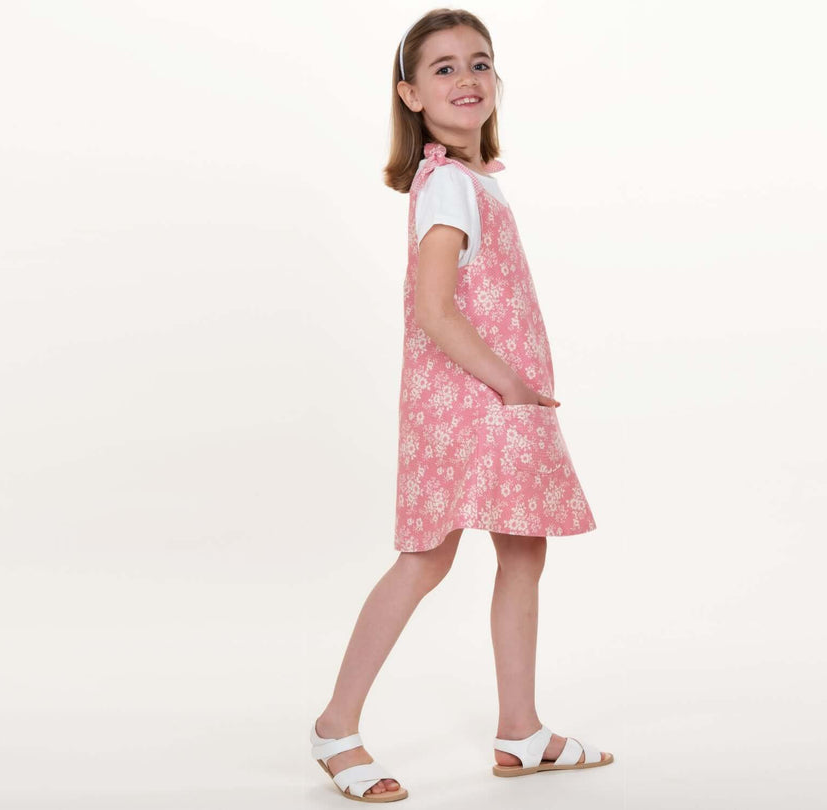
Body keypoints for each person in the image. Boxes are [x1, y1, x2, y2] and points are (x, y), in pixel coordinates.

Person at [309, 8, 612, 802]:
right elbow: (436, 309)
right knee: (427, 556)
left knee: (523, 548)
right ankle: (336, 725)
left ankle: (522, 731)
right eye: (443, 68)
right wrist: (509, 384)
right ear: (410, 94)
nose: (467, 78)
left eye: (479, 62)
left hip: (495, 399)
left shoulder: (476, 182)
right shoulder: (447, 185)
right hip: (471, 400)